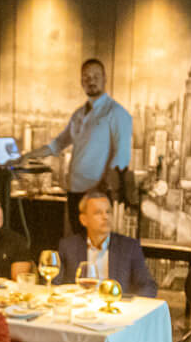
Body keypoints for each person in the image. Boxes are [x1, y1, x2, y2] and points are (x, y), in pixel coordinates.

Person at [34, 58, 131, 230]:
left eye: (96, 76)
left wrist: (103, 188)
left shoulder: (117, 112)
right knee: (78, 240)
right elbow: (59, 143)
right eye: (86, 77)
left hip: (97, 193)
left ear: (105, 78)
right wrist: (28, 156)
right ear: (81, 82)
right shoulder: (78, 114)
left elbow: (121, 156)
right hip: (75, 191)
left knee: (96, 241)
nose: (91, 80)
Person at [55, 189, 157, 297]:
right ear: (83, 220)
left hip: (116, 306)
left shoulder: (129, 247)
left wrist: (131, 304)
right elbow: (54, 284)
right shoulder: (68, 246)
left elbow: (148, 286)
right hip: (80, 305)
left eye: (108, 212)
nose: (105, 217)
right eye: (98, 213)